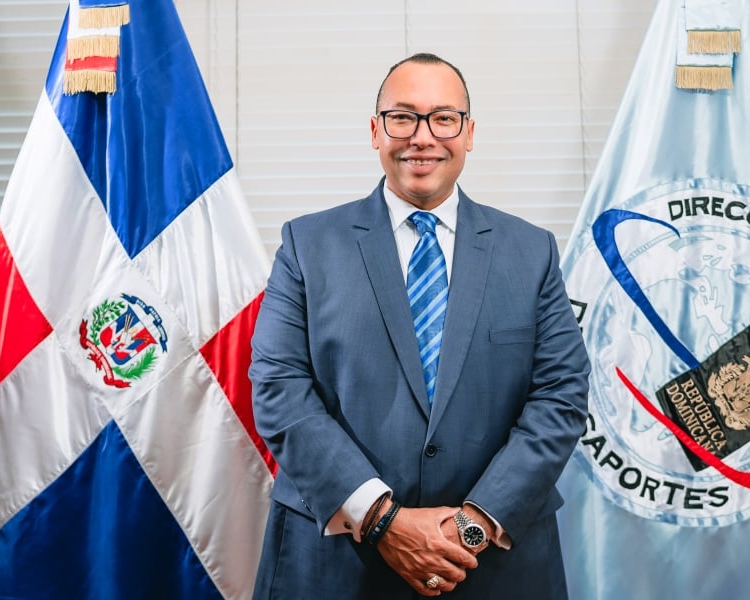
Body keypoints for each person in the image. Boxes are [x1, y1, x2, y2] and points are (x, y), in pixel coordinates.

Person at [250, 52, 590, 599]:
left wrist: (471, 528)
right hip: (336, 563)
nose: (422, 137)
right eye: (402, 117)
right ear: (375, 130)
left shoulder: (532, 252)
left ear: (469, 133)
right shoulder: (306, 245)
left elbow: (561, 395)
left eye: (443, 118)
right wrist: (382, 520)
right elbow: (279, 389)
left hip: (493, 567)